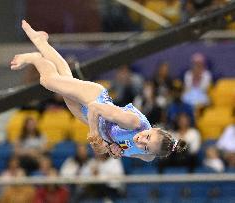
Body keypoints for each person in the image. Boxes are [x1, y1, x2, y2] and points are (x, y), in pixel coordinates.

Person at [10, 20, 187, 162]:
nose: (141, 141)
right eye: (147, 137)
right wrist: (94, 134)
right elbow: (95, 107)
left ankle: (41, 42)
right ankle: (34, 58)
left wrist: (112, 150)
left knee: (64, 77)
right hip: (94, 99)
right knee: (47, 81)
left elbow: (120, 148)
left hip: (92, 119)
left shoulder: (147, 156)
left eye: (146, 147)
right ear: (153, 128)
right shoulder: (132, 122)